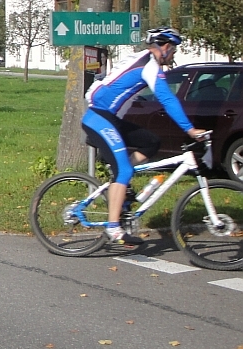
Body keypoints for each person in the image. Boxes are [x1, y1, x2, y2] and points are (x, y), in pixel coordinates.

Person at [82, 27, 207, 245]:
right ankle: (113, 227)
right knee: (124, 170)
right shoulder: (149, 65)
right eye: (174, 49)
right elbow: (167, 99)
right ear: (165, 47)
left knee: (151, 142)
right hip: (99, 118)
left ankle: (120, 179)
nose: (174, 54)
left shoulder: (143, 59)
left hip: (109, 118)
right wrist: (189, 129)